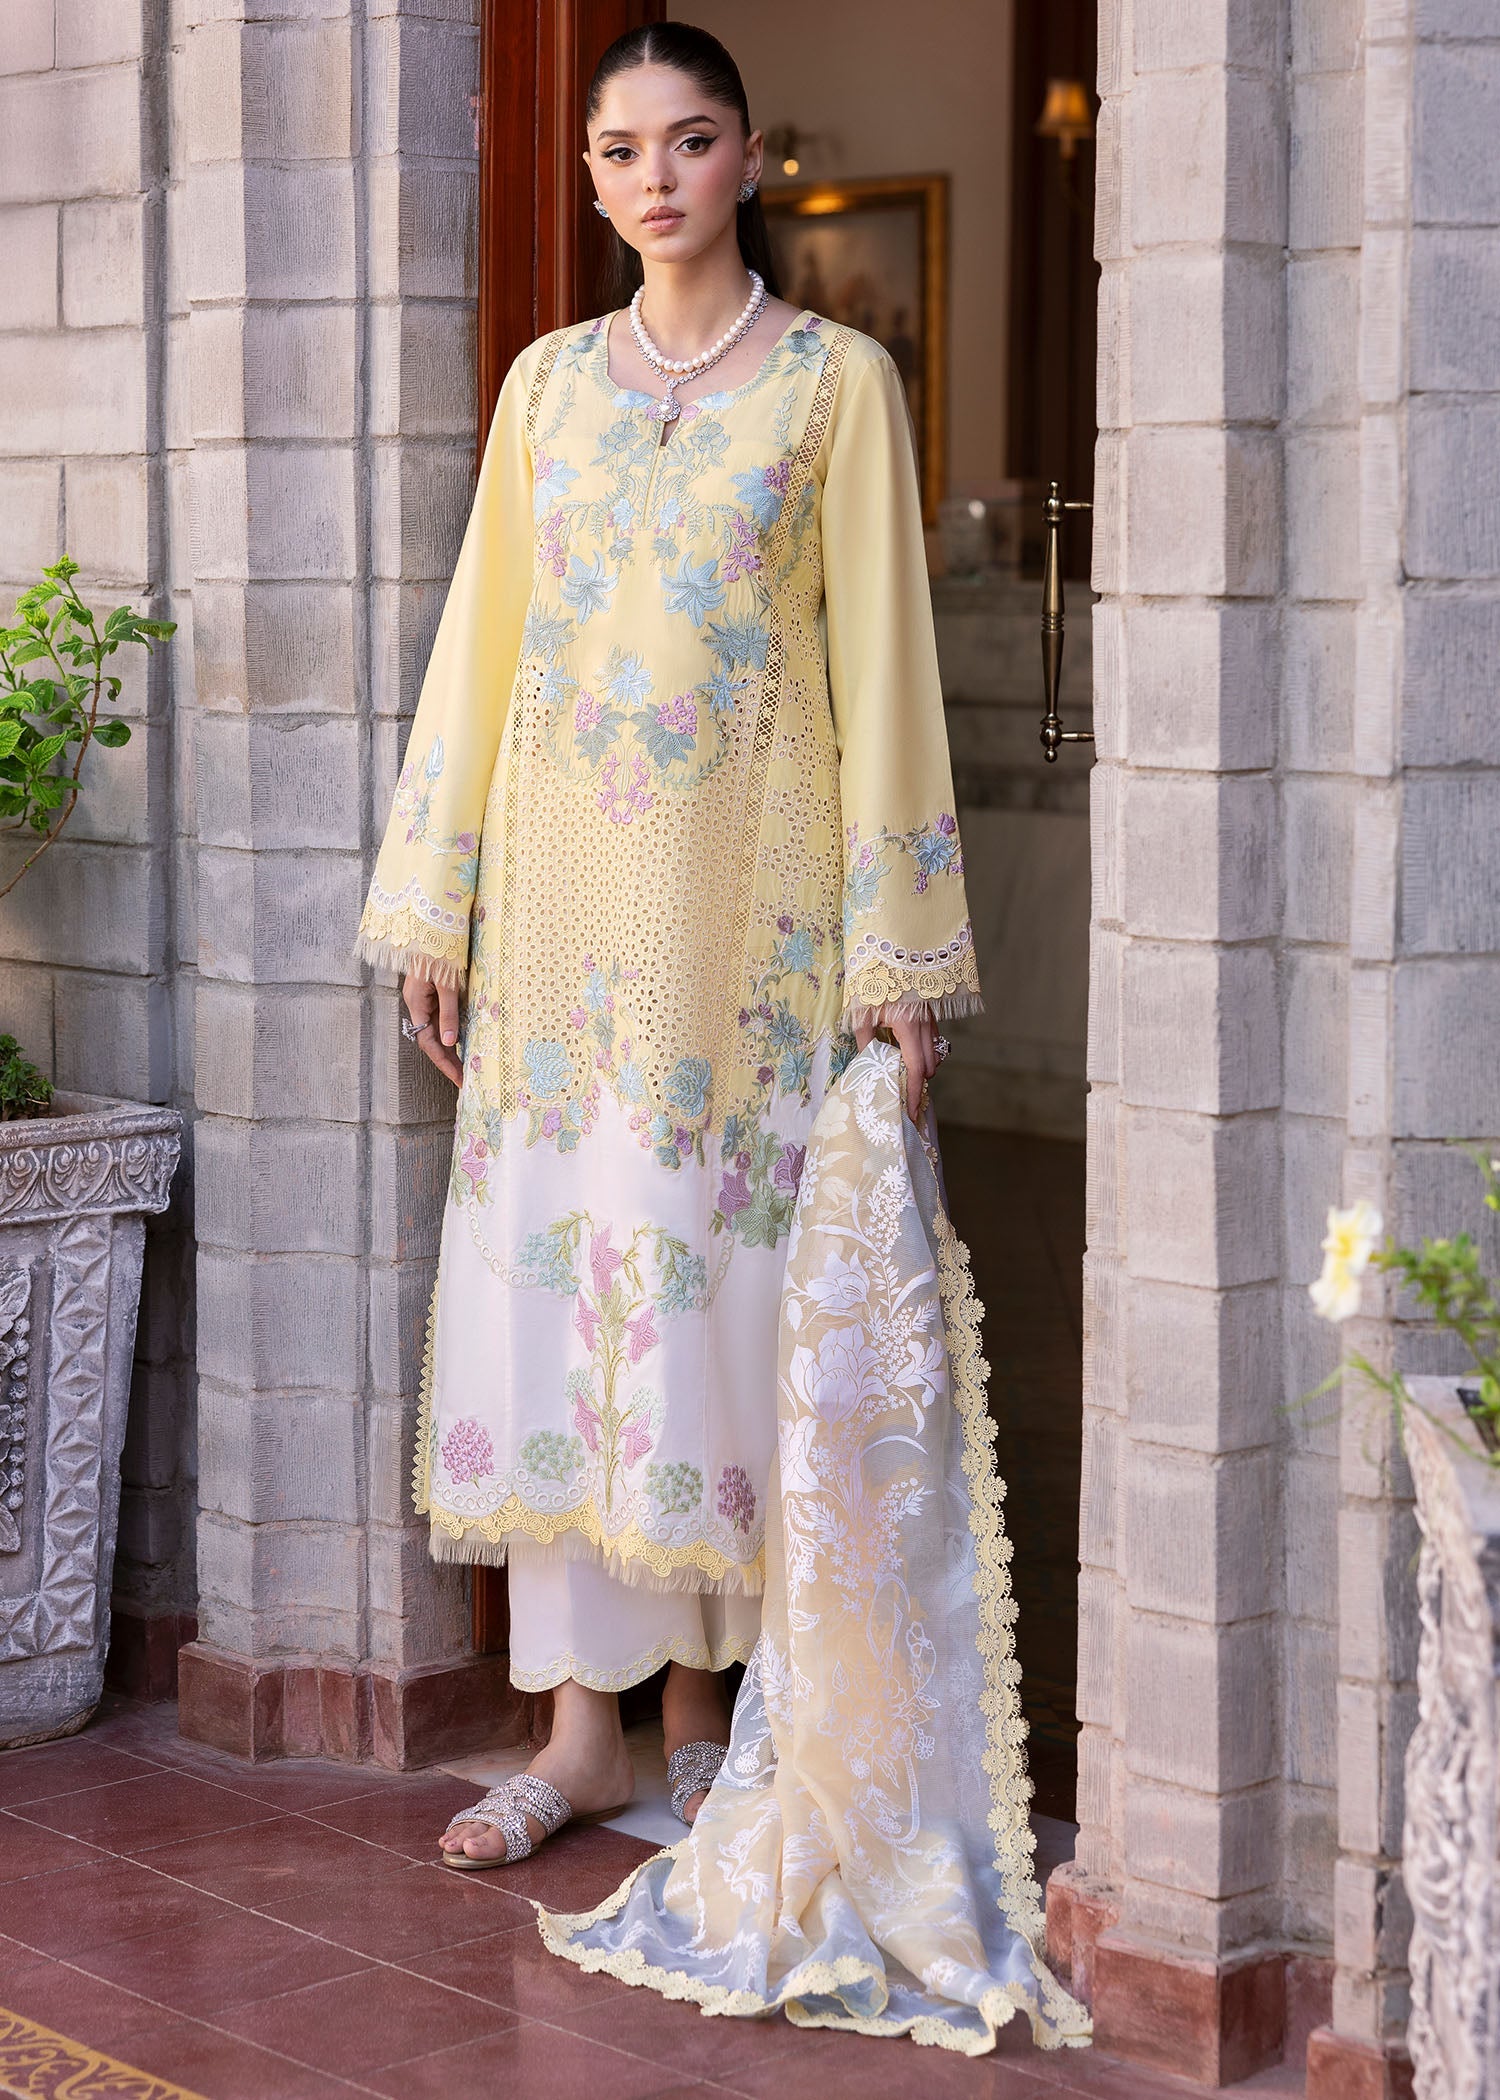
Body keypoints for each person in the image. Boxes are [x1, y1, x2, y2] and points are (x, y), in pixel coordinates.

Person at [356, 20, 978, 1871]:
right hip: (560, 932)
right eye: (623, 150)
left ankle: (707, 1718)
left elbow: (888, 673)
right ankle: (578, 1734)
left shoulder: (836, 385)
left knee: (715, 1299)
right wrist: (435, 898)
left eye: (691, 141)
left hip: (750, 935)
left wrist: (897, 956)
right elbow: (481, 649)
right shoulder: (546, 389)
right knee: (568, 1294)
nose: (657, 178)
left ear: (752, 157)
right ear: (592, 177)